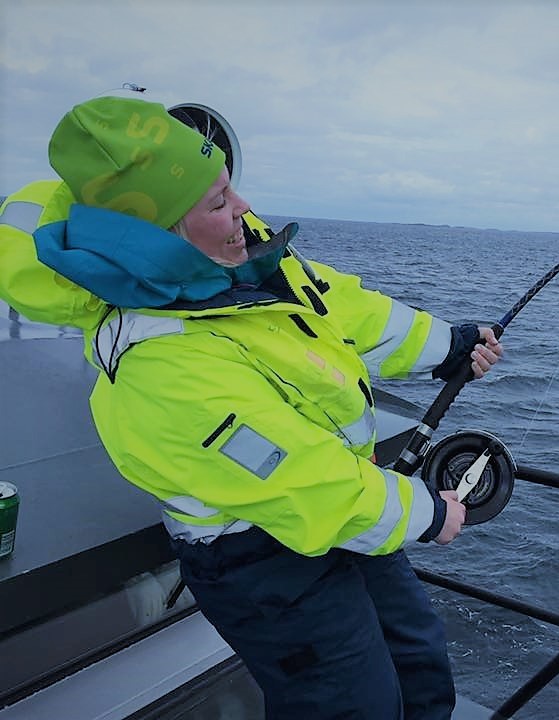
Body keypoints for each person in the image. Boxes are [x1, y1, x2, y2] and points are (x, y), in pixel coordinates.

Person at [0, 96, 503, 719]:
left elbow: (331, 301)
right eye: (216, 202)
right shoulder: (158, 363)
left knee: (420, 670)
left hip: (345, 507)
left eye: (230, 187)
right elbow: (293, 476)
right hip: (262, 557)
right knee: (350, 705)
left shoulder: (241, 253)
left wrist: (445, 345)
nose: (242, 209)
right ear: (157, 237)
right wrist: (426, 513)